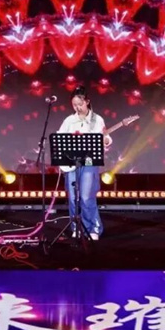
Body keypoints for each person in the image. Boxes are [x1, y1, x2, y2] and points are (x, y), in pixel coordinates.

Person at [57, 86, 112, 240]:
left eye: (80, 104)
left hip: (89, 161)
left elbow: (106, 138)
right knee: (73, 197)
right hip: (72, 162)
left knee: (87, 196)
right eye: (74, 105)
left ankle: (93, 228)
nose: (77, 108)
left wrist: (106, 140)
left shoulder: (97, 119)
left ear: (87, 102)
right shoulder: (69, 120)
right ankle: (77, 227)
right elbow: (60, 138)